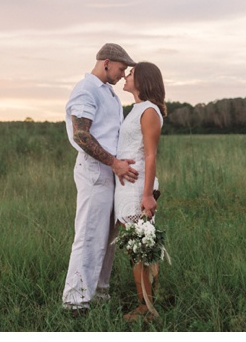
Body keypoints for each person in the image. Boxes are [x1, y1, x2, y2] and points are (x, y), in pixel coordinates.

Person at [62, 43, 140, 315]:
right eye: (121, 69)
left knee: (108, 237)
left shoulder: (107, 93)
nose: (122, 75)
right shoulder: (86, 90)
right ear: (106, 62)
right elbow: (81, 135)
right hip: (95, 170)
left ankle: (98, 294)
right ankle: (75, 301)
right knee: (89, 234)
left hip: (111, 172)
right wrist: (114, 163)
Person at [113, 61, 167, 321]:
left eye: (131, 73)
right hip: (127, 188)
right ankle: (153, 299)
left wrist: (146, 195)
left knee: (138, 250)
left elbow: (150, 155)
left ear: (142, 81)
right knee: (142, 247)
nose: (126, 75)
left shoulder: (149, 111)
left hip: (137, 190)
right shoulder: (136, 110)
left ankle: (145, 308)